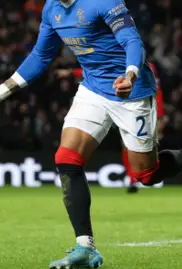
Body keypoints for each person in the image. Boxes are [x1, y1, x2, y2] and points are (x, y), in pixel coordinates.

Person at [0, 0, 182, 269]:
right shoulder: (51, 10)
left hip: (131, 91)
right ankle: (85, 247)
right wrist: (2, 91)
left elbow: (132, 40)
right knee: (66, 158)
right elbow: (41, 55)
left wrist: (129, 73)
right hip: (94, 90)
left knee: (147, 175)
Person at [55, 60, 166, 194]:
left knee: (146, 152)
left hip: (137, 108)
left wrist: (159, 115)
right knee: (126, 145)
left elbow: (155, 89)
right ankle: (133, 179)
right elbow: (98, 73)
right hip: (115, 105)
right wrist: (71, 72)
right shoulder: (114, 58)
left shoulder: (142, 64)